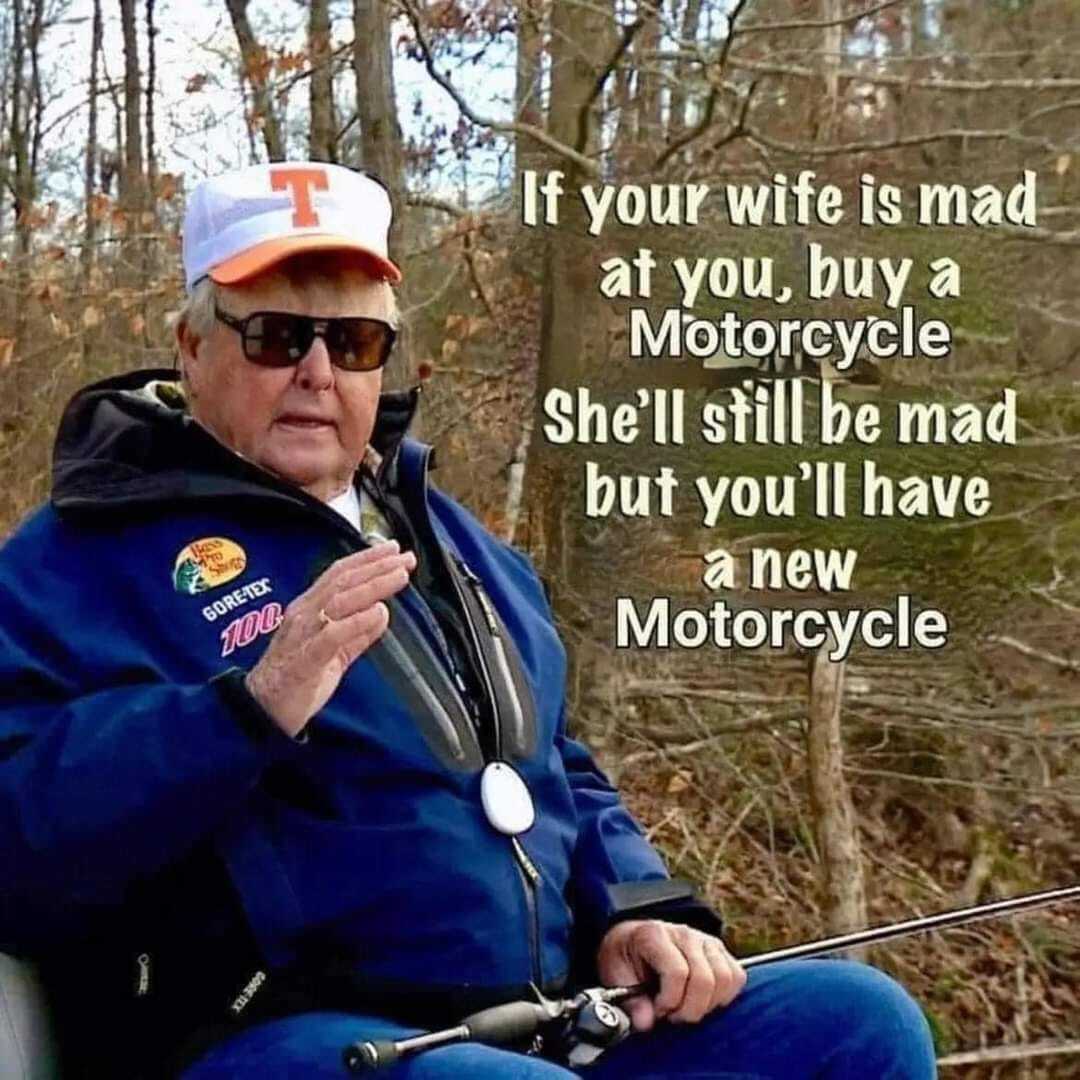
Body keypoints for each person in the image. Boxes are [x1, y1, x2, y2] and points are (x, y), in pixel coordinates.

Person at [0, 161, 936, 1079]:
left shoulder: (456, 540)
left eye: (354, 342)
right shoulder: (83, 555)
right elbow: (16, 841)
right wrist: (241, 714)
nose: (317, 373)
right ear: (193, 347)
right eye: (278, 337)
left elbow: (556, 763)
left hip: (541, 1019)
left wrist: (636, 906)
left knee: (860, 1026)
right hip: (271, 1035)